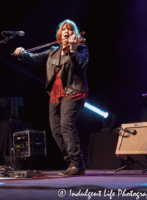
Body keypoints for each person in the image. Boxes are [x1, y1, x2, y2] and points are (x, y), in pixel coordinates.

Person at [12, 19, 89, 176]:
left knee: (67, 125)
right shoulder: (53, 51)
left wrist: (73, 48)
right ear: (60, 34)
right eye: (64, 29)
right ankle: (71, 161)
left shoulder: (82, 48)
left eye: (70, 29)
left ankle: (77, 163)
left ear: (74, 33)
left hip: (73, 90)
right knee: (55, 129)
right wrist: (22, 53)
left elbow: (78, 65)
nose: (67, 31)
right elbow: (35, 58)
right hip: (55, 93)